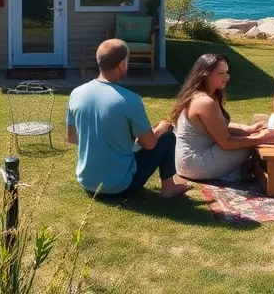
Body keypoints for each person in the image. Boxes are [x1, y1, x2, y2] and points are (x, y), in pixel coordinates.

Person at [66, 39, 191, 199]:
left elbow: (72, 137)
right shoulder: (130, 100)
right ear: (122, 64)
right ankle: (169, 188)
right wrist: (160, 130)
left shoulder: (77, 93)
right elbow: (150, 144)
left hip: (87, 182)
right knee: (167, 134)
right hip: (119, 187)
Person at [171, 53, 274, 181]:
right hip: (196, 164)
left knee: (251, 137)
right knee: (253, 142)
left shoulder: (201, 95)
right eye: (220, 73)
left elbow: (218, 126)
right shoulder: (204, 102)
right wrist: (259, 138)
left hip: (189, 162)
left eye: (227, 72)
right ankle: (267, 173)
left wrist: (247, 129)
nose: (227, 77)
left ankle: (249, 170)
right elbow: (226, 143)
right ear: (205, 74)